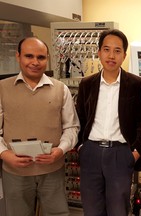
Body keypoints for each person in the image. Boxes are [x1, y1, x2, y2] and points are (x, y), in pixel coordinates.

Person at [0, 37, 80, 216]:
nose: (35, 62)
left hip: (52, 169)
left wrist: (60, 150)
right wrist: (5, 155)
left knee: (58, 213)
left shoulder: (61, 89)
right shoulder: (2, 89)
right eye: (29, 56)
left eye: (41, 57)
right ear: (18, 56)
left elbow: (72, 127)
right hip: (15, 171)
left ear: (48, 58)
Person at [76, 29, 141, 216]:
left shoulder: (137, 84)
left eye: (117, 50)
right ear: (99, 53)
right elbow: (80, 118)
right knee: (91, 209)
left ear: (124, 55)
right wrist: (81, 146)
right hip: (91, 152)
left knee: (118, 210)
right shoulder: (87, 84)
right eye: (106, 50)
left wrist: (136, 152)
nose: (111, 55)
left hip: (120, 154)